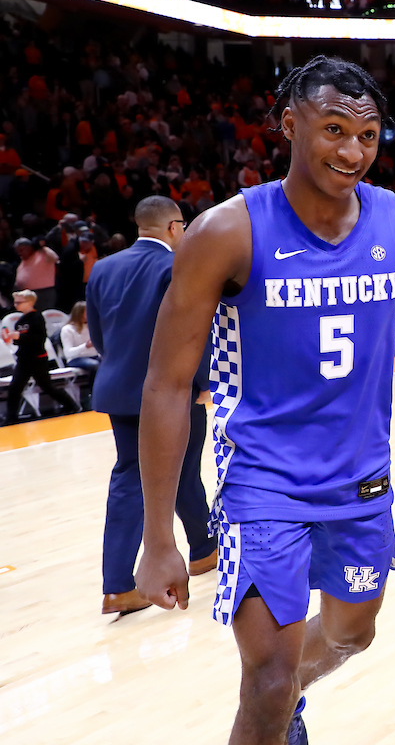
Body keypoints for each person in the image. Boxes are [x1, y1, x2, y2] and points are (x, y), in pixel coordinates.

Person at [134, 56, 395, 744]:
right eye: (334, 129)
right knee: (268, 680)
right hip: (264, 481)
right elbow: (166, 383)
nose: (352, 152)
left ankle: (286, 704)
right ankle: (275, 711)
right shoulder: (227, 231)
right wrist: (159, 534)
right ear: (289, 124)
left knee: (352, 634)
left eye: (368, 136)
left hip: (362, 481)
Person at [85, 196, 217, 615]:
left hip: (119, 389)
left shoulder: (103, 268)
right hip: (170, 391)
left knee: (136, 473)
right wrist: (203, 381)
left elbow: (98, 333)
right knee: (179, 473)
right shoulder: (174, 266)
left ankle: (197, 552)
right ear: (175, 228)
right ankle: (127, 582)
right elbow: (192, 330)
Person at [2, 289, 81, 424]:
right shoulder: (20, 321)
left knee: (46, 386)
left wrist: (20, 336)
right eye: (15, 302)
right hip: (23, 359)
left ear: (30, 302)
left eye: (19, 302)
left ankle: (71, 405)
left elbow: (39, 338)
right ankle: (11, 418)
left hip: (37, 359)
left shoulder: (37, 318)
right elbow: (20, 340)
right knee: (15, 388)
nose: (16, 305)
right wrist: (12, 339)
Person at [13, 237, 59, 311]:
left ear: (29, 247)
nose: (19, 253)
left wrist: (42, 247)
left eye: (21, 250)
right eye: (17, 251)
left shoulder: (42, 254)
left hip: (44, 293)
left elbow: (55, 258)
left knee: (44, 316)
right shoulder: (23, 260)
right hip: (27, 295)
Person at [60, 300, 100, 383]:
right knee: (94, 365)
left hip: (94, 356)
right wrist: (85, 346)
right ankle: (93, 392)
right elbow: (68, 353)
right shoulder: (67, 329)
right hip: (76, 359)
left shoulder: (92, 326)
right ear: (80, 313)